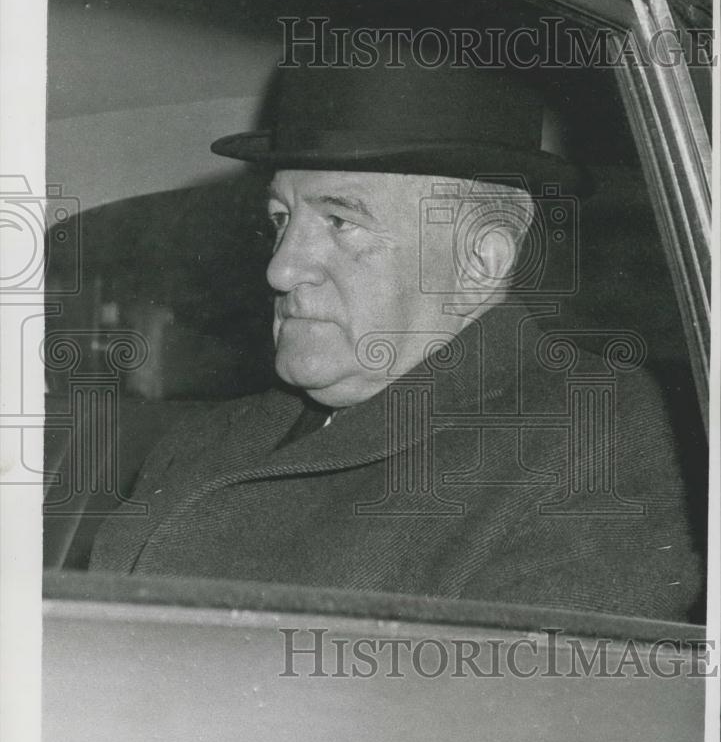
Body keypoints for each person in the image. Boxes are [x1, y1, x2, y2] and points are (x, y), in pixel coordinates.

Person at [89, 45, 702, 620]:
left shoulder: (586, 432)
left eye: (341, 221)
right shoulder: (203, 439)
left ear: (477, 262)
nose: (281, 267)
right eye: (282, 220)